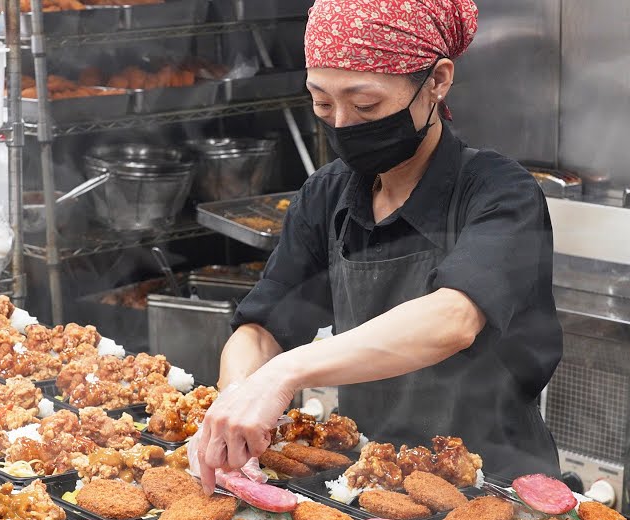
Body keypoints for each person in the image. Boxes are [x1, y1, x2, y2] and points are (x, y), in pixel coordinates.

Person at [194, 0, 562, 491]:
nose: (342, 123)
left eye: (365, 105)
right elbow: (262, 329)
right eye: (322, 103)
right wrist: (239, 397)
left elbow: (453, 320)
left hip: (495, 487)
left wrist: (284, 374)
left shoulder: (500, 193)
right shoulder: (327, 195)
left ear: (436, 81)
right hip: (371, 479)